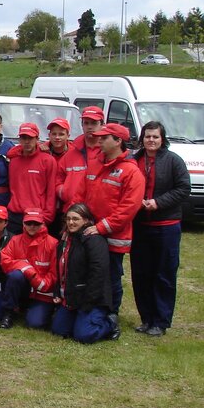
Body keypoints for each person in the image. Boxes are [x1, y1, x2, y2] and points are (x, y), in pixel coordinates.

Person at [130, 121, 190, 337]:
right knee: (141, 273)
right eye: (147, 136)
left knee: (163, 274)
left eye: (155, 137)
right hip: (140, 225)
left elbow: (184, 188)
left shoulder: (173, 161)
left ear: (162, 139)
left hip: (166, 226)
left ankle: (161, 321)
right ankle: (146, 318)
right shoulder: (134, 159)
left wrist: (158, 202)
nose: (151, 140)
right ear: (142, 138)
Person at [82, 122, 145, 324]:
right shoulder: (95, 163)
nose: (98, 140)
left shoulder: (131, 172)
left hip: (113, 235)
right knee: (89, 271)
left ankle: (111, 312)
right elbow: (82, 194)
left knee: (111, 275)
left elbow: (128, 209)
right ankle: (90, 307)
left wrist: (101, 228)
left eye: (104, 138)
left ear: (118, 141)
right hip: (90, 231)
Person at [50, 203, 114, 343]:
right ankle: (78, 320)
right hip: (72, 298)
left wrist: (89, 301)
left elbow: (99, 273)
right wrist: (57, 292)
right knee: (59, 330)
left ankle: (110, 324)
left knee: (83, 336)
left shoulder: (94, 240)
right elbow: (60, 270)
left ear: (86, 220)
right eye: (68, 219)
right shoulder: (65, 240)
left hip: (92, 300)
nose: (71, 222)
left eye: (75, 219)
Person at [0, 208, 58, 330]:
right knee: (15, 276)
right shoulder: (15, 240)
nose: (32, 226)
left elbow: (54, 274)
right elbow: (5, 261)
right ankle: (9, 313)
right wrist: (24, 266)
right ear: (23, 223)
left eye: (36, 223)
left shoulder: (53, 244)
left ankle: (42, 310)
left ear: (43, 224)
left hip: (42, 293)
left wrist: (33, 276)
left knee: (35, 324)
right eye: (28, 223)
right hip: (23, 289)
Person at [5, 123, 58, 233]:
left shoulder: (47, 160)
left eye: (30, 138)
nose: (27, 141)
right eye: (24, 138)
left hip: (36, 217)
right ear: (19, 139)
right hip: (14, 216)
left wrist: (47, 217)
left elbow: (51, 191)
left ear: (37, 139)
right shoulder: (13, 161)